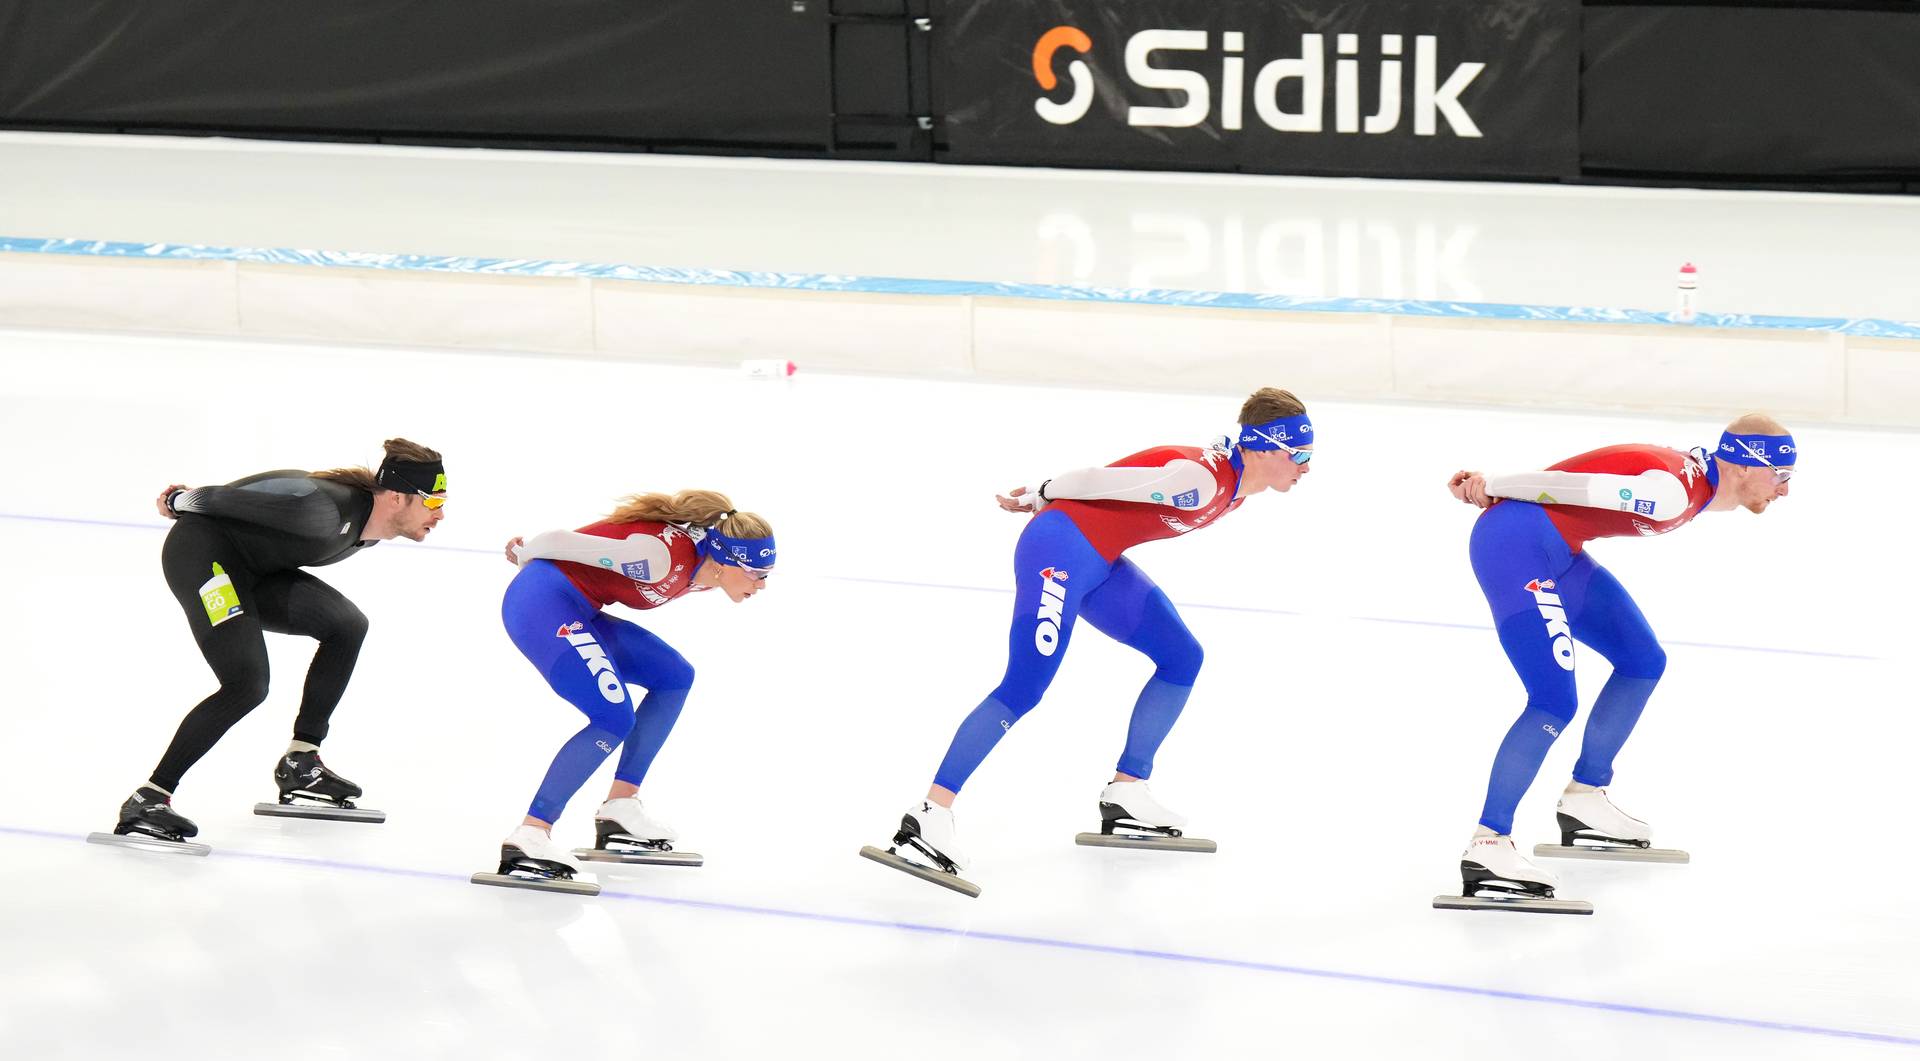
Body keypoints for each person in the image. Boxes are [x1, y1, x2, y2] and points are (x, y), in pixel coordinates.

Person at [863, 387, 1314, 894]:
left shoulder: (1235, 490)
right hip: (1058, 549)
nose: (1305, 466)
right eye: (1299, 454)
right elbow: (1099, 480)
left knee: (1181, 657)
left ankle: (1127, 793)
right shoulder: (1201, 480)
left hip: (1097, 560)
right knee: (1024, 686)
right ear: (1263, 447)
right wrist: (1042, 492)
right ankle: (928, 815)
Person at [1442, 414, 1795, 906]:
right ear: (1743, 465)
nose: (1784, 490)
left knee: (1641, 660)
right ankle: (1488, 843)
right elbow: (1565, 485)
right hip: (1515, 545)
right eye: (1782, 475)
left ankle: (1585, 797)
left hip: (1555, 548)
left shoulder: (1696, 485)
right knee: (1552, 701)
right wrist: (1490, 484)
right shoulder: (1672, 494)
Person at [103, 439, 447, 851]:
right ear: (396, 498)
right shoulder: (323, 511)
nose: (440, 514)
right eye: (432, 502)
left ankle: (302, 760)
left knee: (347, 625)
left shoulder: (369, 531)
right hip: (202, 558)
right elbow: (218, 498)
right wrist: (177, 500)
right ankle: (150, 797)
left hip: (255, 569)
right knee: (247, 684)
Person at [475, 490, 773, 892]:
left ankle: (620, 807)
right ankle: (532, 832)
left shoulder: (710, 568)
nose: (762, 584)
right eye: (757, 573)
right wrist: (526, 552)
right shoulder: (659, 559)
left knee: (673, 676)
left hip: (580, 608)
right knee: (614, 717)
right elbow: (563, 541)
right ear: (724, 563)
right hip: (541, 604)